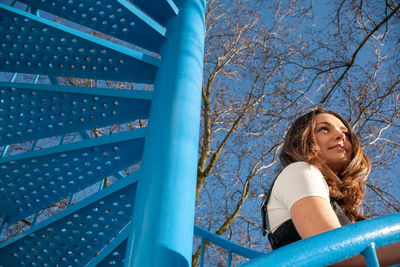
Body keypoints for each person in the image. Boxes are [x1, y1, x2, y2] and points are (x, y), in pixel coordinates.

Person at [261, 108, 400, 266]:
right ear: (303, 140)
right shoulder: (299, 171)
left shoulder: (337, 205)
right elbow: (337, 253)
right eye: (324, 129)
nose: (341, 136)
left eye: (346, 134)